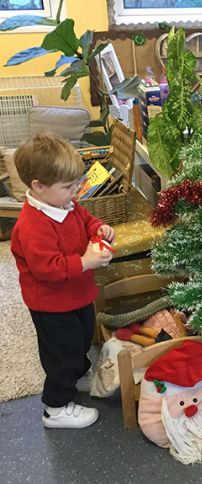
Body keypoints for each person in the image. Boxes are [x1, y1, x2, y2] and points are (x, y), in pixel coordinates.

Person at [10, 133, 115, 429]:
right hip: (51, 305)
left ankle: (77, 375)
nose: (75, 191)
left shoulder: (64, 203)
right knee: (61, 354)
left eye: (75, 184)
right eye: (68, 186)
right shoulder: (32, 225)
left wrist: (100, 229)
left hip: (76, 295)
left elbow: (85, 219)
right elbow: (48, 269)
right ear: (38, 187)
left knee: (81, 338)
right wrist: (86, 261)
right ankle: (55, 408)